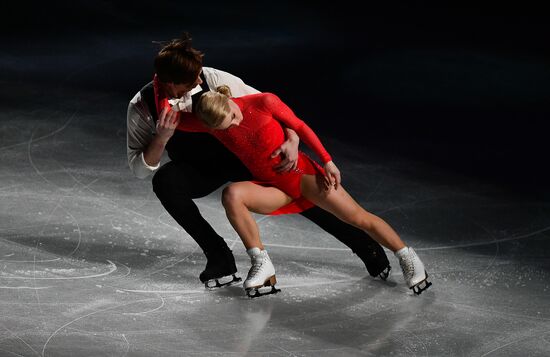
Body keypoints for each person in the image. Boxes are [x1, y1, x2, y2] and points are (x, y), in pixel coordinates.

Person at [126, 32, 391, 288]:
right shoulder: (142, 106)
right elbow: (139, 169)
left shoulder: (215, 78)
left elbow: (269, 106)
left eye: (198, 75)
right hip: (199, 168)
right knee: (165, 182)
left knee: (295, 183)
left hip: (243, 155)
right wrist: (161, 138)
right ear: (171, 83)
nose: (199, 80)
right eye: (192, 80)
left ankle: (363, 243)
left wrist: (292, 139)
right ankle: (219, 256)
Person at [168, 86, 432, 296]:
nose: (234, 126)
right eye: (226, 128)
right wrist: (171, 100)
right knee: (232, 195)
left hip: (301, 177)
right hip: (272, 187)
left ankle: (408, 258)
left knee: (358, 218)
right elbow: (171, 118)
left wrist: (328, 160)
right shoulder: (211, 123)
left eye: (233, 118)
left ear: (230, 102)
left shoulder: (263, 102)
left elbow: (301, 126)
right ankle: (262, 263)